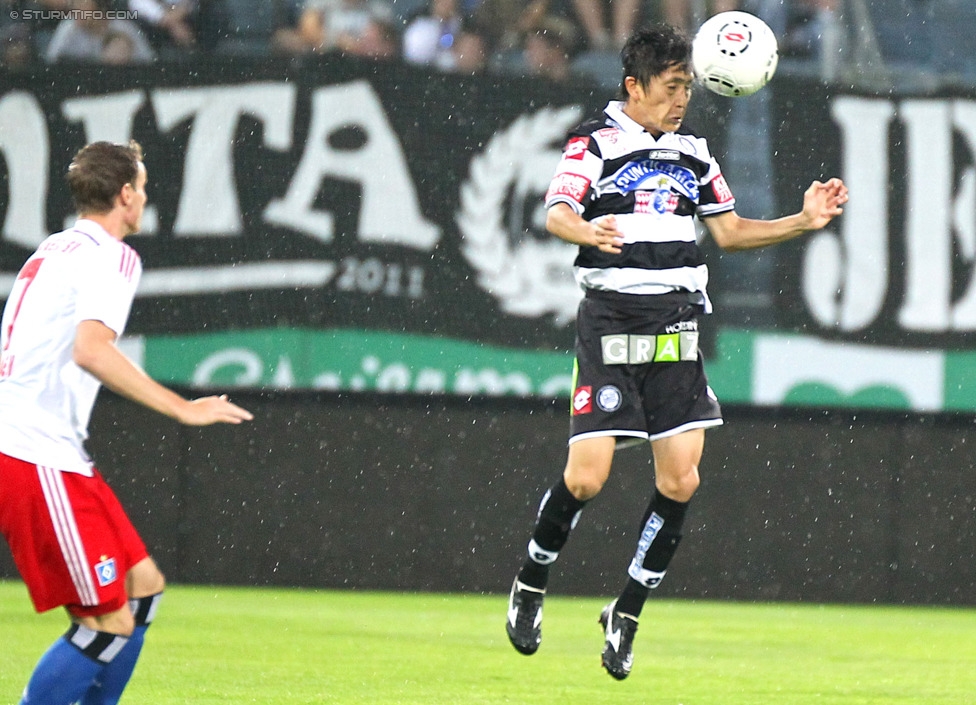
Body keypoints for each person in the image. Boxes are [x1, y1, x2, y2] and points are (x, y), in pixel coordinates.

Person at [504, 24, 847, 680]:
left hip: (676, 329)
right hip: (609, 326)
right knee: (586, 477)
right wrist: (585, 228)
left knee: (681, 478)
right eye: (670, 87)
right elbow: (555, 213)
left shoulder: (694, 152)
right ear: (633, 86)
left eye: (687, 86)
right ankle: (530, 582)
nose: (681, 98)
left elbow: (731, 232)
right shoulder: (595, 142)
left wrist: (801, 222)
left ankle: (626, 612)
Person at [0, 140, 254, 704]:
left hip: (42, 449)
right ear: (124, 195)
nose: (144, 197)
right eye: (141, 186)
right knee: (105, 623)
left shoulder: (56, 247)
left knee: (143, 589)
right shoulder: (113, 255)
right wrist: (183, 408)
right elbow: (91, 350)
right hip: (35, 453)